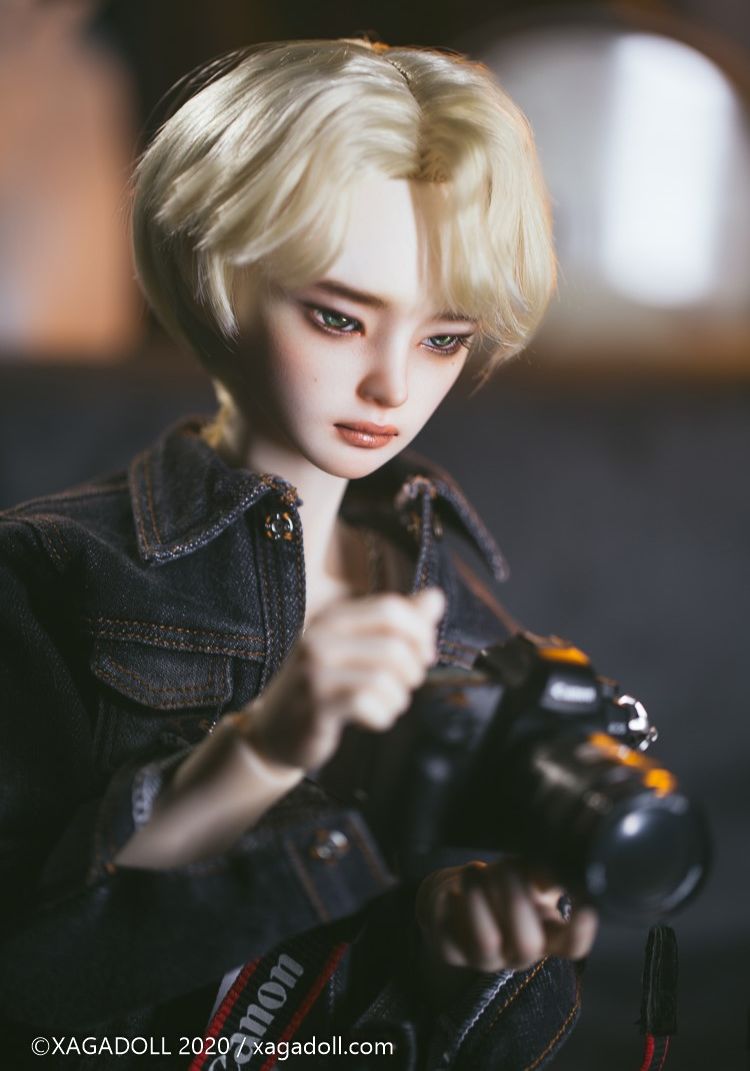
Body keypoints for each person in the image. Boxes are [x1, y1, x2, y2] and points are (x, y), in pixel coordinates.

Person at [0, 37, 597, 1070]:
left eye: (444, 338)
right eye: (337, 318)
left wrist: (460, 941)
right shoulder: (56, 573)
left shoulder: (451, 600)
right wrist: (262, 750)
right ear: (218, 273)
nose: (392, 386)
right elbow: (30, 973)